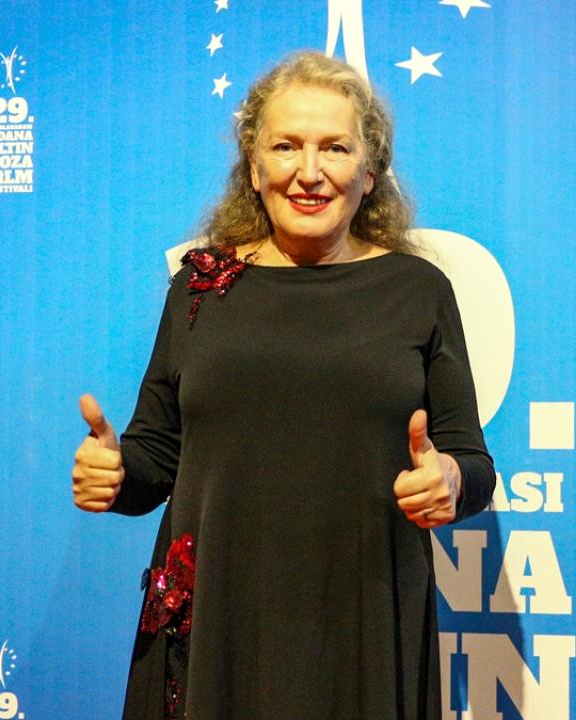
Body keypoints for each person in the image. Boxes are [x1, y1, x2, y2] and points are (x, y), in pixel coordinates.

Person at [72, 50, 495, 720]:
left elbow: (472, 463)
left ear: (370, 172)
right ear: (253, 166)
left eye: (335, 148)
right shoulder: (198, 289)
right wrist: (117, 473)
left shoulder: (418, 290)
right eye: (286, 146)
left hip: (364, 622)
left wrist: (451, 480)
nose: (309, 171)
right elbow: (157, 455)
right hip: (217, 624)